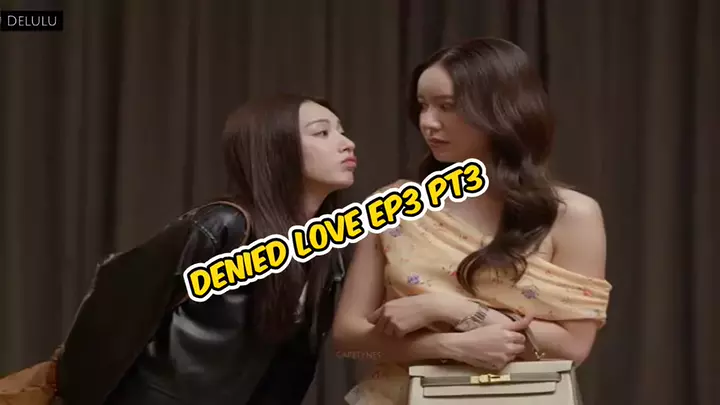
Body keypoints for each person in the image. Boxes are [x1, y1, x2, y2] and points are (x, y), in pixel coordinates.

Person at [332, 37, 612, 405]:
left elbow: (574, 347)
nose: (428, 122)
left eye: (446, 106)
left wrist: (448, 309)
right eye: (422, 106)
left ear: (501, 110)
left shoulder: (571, 214)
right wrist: (448, 345)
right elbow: (348, 339)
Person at [53, 94, 357, 405]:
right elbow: (115, 308)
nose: (347, 144)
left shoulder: (325, 254)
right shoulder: (226, 226)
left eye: (342, 131)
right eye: (322, 132)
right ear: (275, 148)